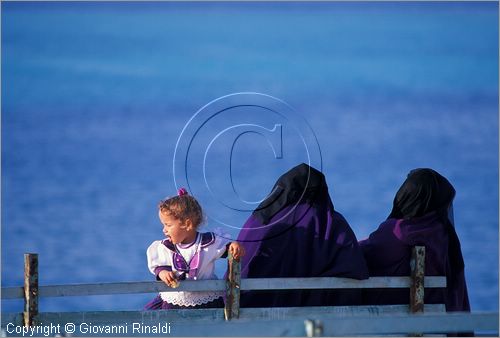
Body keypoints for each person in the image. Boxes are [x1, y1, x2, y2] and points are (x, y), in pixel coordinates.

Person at [236, 163, 369, 307]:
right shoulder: (331, 223)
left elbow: (239, 262)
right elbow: (354, 267)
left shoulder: (260, 220)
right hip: (320, 318)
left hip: (252, 309)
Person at [359, 168, 470, 312]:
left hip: (391, 319)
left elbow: (359, 253)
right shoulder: (444, 236)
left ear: (406, 195)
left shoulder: (397, 232)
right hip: (439, 320)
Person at [144, 188, 245, 310]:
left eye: (168, 225)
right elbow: (160, 266)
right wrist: (163, 273)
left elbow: (226, 249)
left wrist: (233, 246)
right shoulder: (166, 247)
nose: (164, 230)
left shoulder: (209, 243)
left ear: (187, 224)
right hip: (175, 300)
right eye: (163, 225)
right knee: (152, 321)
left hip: (206, 299)